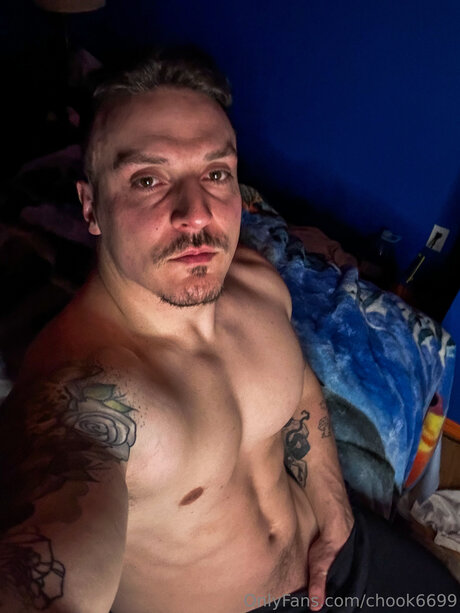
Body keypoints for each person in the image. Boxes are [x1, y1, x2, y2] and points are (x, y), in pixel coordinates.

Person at [0, 49, 458, 613]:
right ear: (91, 207)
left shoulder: (256, 281)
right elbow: (42, 561)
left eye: (215, 174)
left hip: (340, 548)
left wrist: (333, 503)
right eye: (148, 179)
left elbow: (300, 389)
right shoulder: (79, 400)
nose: (196, 214)